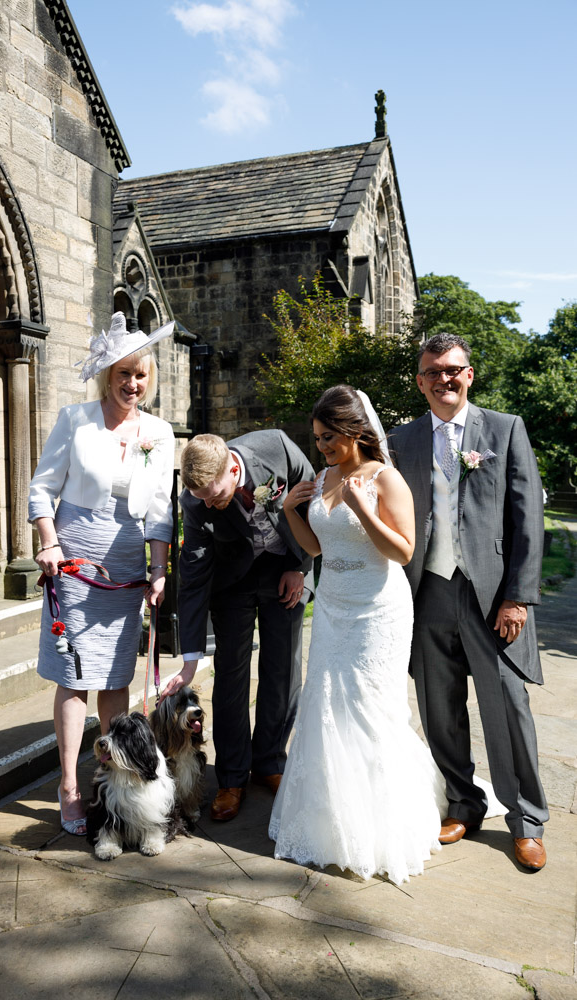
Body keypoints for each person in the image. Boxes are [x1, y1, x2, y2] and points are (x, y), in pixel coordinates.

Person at [268, 385, 447, 885]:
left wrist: (363, 507)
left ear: (354, 431)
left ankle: (382, 829)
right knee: (326, 707)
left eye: (329, 437)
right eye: (317, 437)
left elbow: (404, 551)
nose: (321, 446)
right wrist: (289, 512)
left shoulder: (386, 478)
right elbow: (317, 548)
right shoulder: (322, 476)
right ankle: (328, 825)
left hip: (378, 611)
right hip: (331, 608)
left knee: (370, 710)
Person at [387, 333, 548, 871]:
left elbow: (527, 520)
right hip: (426, 590)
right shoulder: (401, 439)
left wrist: (519, 597)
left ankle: (526, 820)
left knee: (507, 705)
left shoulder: (504, 429)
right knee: (439, 707)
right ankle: (464, 802)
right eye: (432, 372)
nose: (443, 379)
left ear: (469, 374)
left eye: (452, 370)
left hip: (492, 596)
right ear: (420, 382)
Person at [28, 312, 175, 835]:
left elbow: (160, 508)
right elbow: (42, 488)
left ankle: (108, 780)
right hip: (73, 556)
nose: (131, 385)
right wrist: (49, 543)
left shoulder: (159, 432)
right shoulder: (75, 419)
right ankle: (68, 785)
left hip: (128, 559)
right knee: (73, 678)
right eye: (122, 375)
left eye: (140, 375)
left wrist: (159, 568)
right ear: (106, 376)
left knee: (115, 677)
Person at [160, 430, 315, 822]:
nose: (210, 504)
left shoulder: (277, 448)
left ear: (233, 466)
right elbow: (193, 577)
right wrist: (191, 661)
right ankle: (231, 778)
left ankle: (269, 761)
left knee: (282, 670)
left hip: (285, 568)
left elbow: (314, 497)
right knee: (230, 676)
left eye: (215, 495)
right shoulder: (195, 502)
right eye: (203, 499)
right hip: (232, 581)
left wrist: (301, 566)